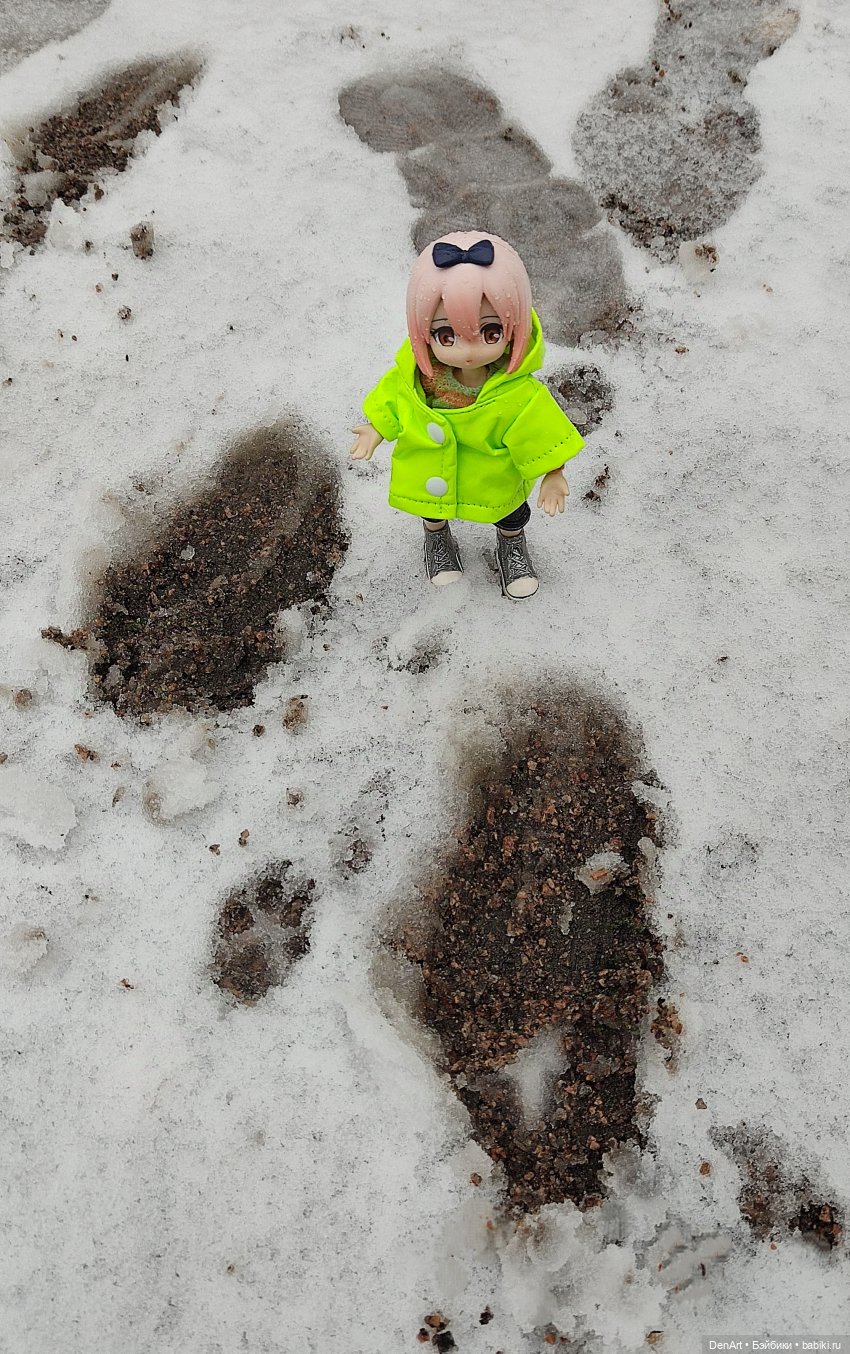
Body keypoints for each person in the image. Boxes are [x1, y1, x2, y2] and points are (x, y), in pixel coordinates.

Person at [350, 231, 584, 599]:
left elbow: (542, 432)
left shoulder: (518, 392)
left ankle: (511, 545)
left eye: (491, 332)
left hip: (494, 475)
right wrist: (376, 427)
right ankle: (437, 540)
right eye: (447, 336)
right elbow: (394, 399)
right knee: (432, 509)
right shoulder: (416, 379)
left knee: (509, 513)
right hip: (429, 466)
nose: (468, 350)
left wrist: (553, 472)